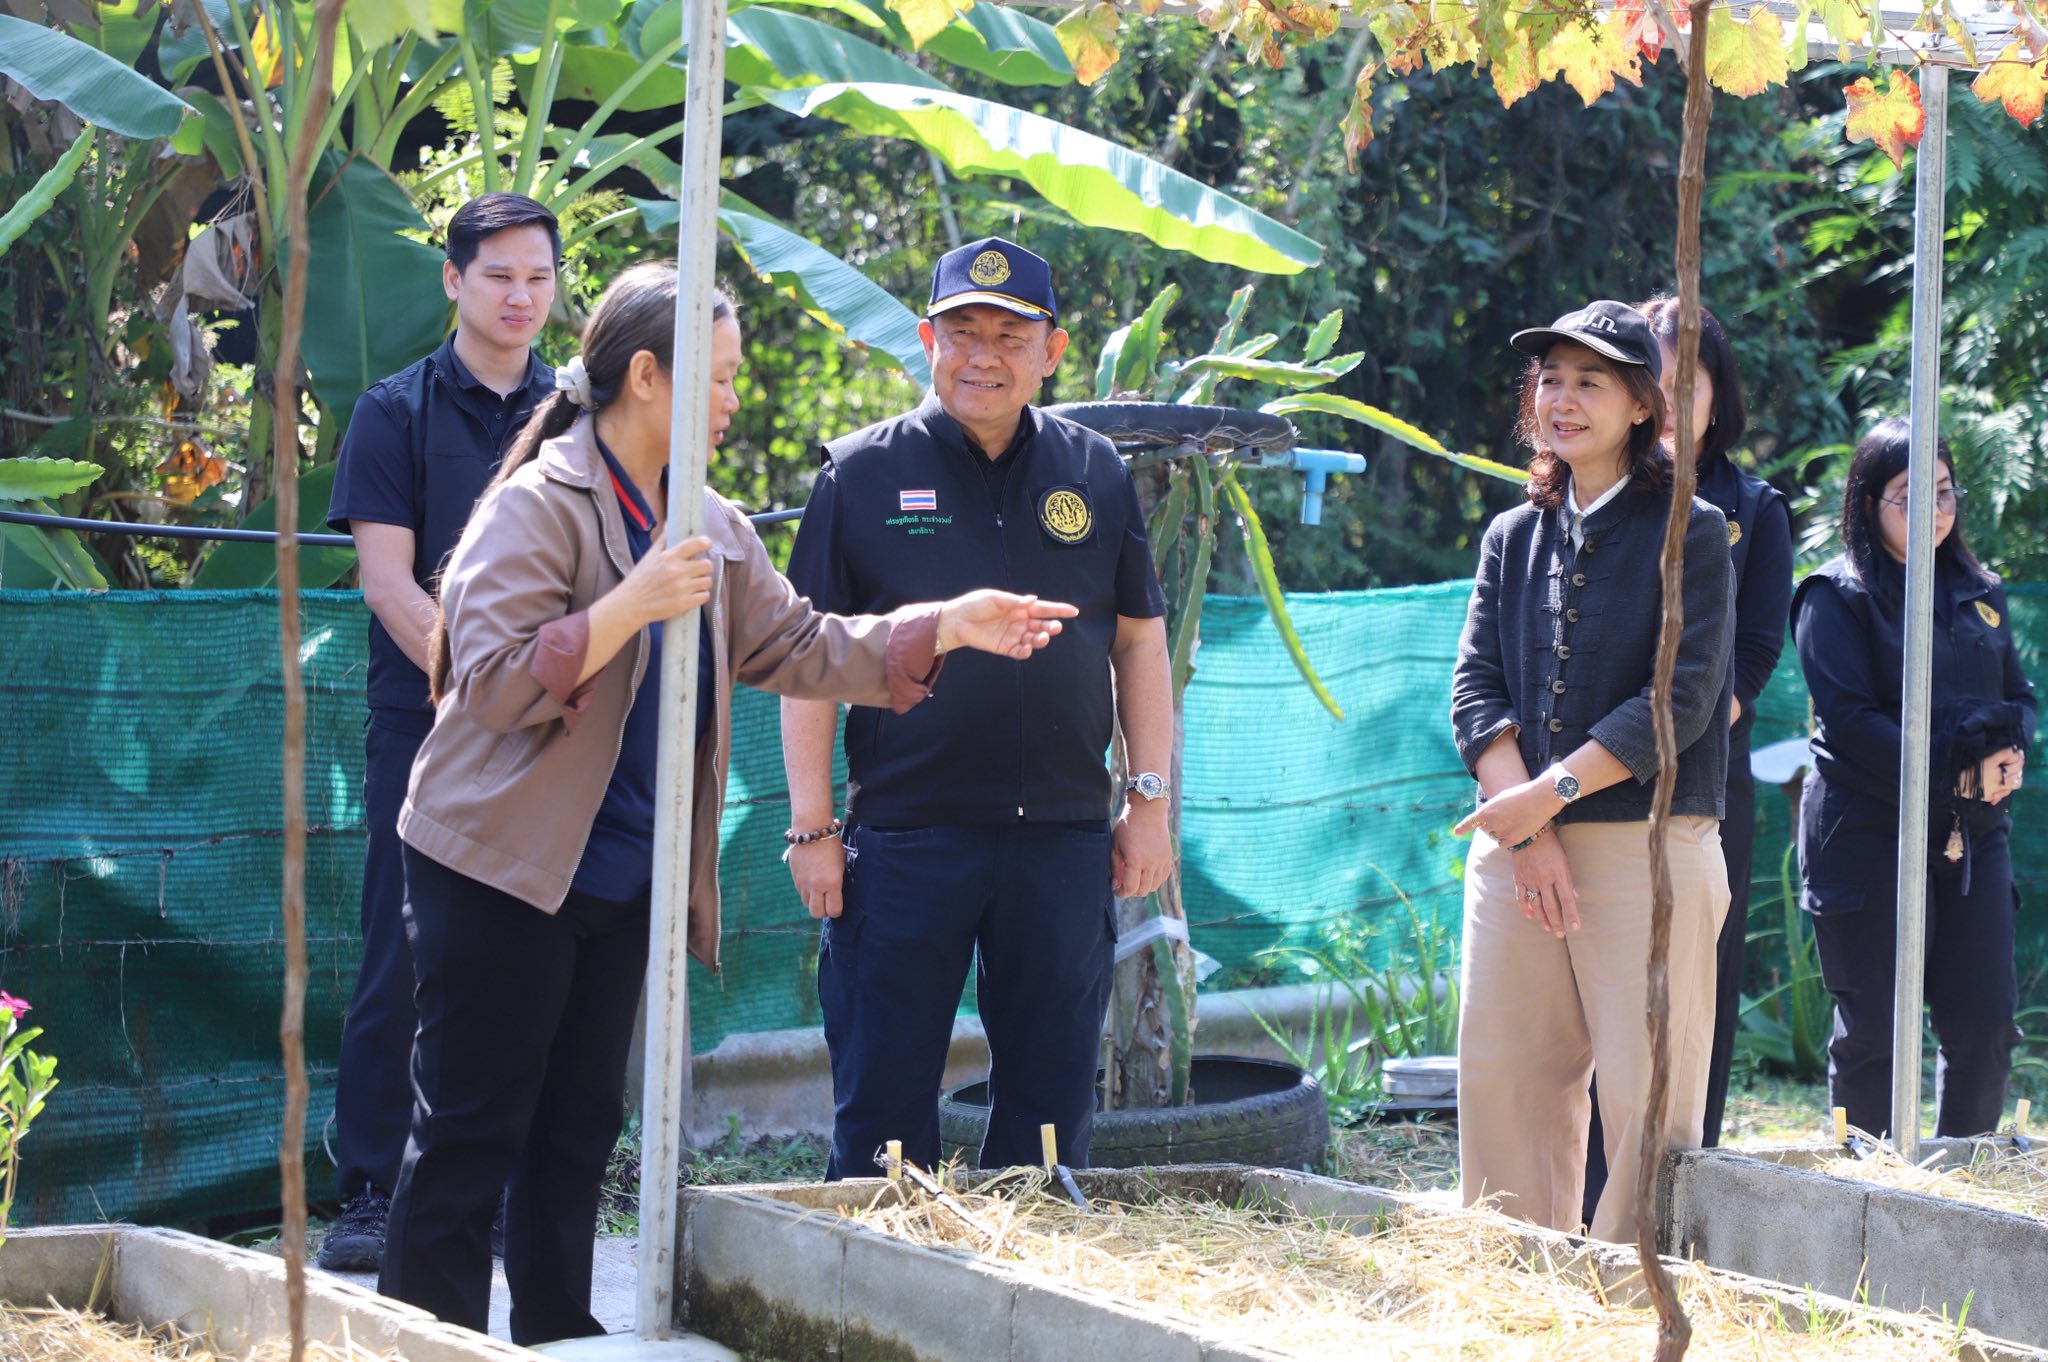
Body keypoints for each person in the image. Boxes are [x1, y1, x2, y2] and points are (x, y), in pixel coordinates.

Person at [376, 262, 1078, 1343]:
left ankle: (559, 1329)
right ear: (649, 376)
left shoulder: (705, 515)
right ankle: (422, 1338)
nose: (735, 397)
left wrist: (940, 622)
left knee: (576, 1126)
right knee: (472, 1126)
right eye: (722, 377)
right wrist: (629, 605)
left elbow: (798, 643)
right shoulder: (539, 502)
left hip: (621, 870)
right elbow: (490, 680)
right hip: (498, 862)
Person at [778, 237, 1174, 1181]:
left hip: (1064, 843)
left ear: (1052, 351)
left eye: (1009, 334)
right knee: (881, 1119)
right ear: (926, 340)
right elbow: (806, 664)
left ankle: (1026, 1300)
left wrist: (1149, 802)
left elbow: (1138, 643)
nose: (983, 355)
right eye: (962, 332)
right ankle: (869, 1301)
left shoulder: (1097, 470)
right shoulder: (860, 474)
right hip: (908, 844)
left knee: (1047, 1124)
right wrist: (812, 829)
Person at [1449, 300, 1734, 1243]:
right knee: (1502, 1072)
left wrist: (1551, 794)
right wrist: (1526, 824)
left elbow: (1677, 698)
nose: (1561, 399)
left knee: (1649, 1088)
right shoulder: (1509, 537)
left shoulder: (1692, 529)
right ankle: (1516, 1284)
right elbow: (1475, 689)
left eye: (1590, 381)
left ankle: (1626, 1294)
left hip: (1647, 844)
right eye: (1550, 379)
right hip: (1515, 841)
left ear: (1644, 403)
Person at [320, 191, 561, 1271]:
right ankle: (371, 1193)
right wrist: (482, 692)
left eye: (538, 278)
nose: (520, 296)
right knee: (405, 955)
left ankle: (499, 1192)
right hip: (424, 727)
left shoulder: (583, 413)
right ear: (453, 280)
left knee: (530, 960)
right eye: (500, 275)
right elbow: (386, 582)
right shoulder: (392, 412)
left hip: (561, 728)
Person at [1580, 298, 1792, 1223]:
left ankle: (1669, 1219)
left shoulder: (1750, 512)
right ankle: (1583, 1205)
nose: (1667, 398)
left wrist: (1656, 732)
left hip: (1697, 796)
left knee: (1686, 1007)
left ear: (1718, 395)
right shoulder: (1582, 500)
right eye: (1652, 380)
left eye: (1687, 381)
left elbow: (1739, 670)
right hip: (1582, 796)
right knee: (1587, 1017)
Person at [1793, 418, 2033, 1139]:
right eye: (1909, 496)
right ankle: (1868, 1193)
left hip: (1972, 834)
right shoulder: (1835, 596)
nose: (1933, 511)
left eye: (1943, 493)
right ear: (1868, 502)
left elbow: (2020, 697)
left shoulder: (1979, 591)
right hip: (1867, 829)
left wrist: (2008, 753)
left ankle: (1961, 1182)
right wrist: (1955, 767)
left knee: (1986, 1022)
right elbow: (1851, 720)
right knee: (1876, 1032)